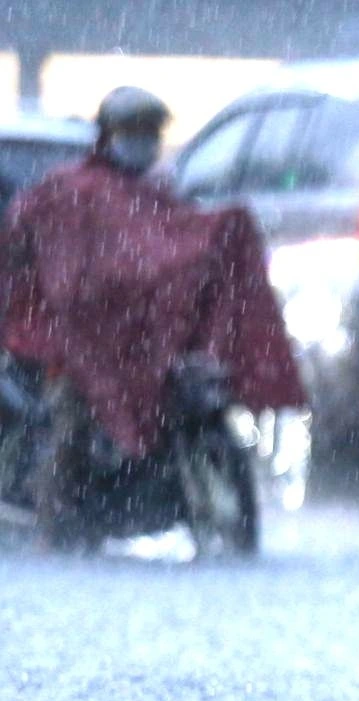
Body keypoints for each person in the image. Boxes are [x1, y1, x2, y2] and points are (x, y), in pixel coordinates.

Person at [1, 86, 302, 549]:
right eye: (133, 132)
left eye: (150, 133)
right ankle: (53, 525)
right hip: (83, 342)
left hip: (147, 339)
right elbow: (27, 249)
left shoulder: (160, 193)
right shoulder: (66, 191)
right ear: (108, 136)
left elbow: (177, 248)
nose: (142, 142)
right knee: (74, 419)